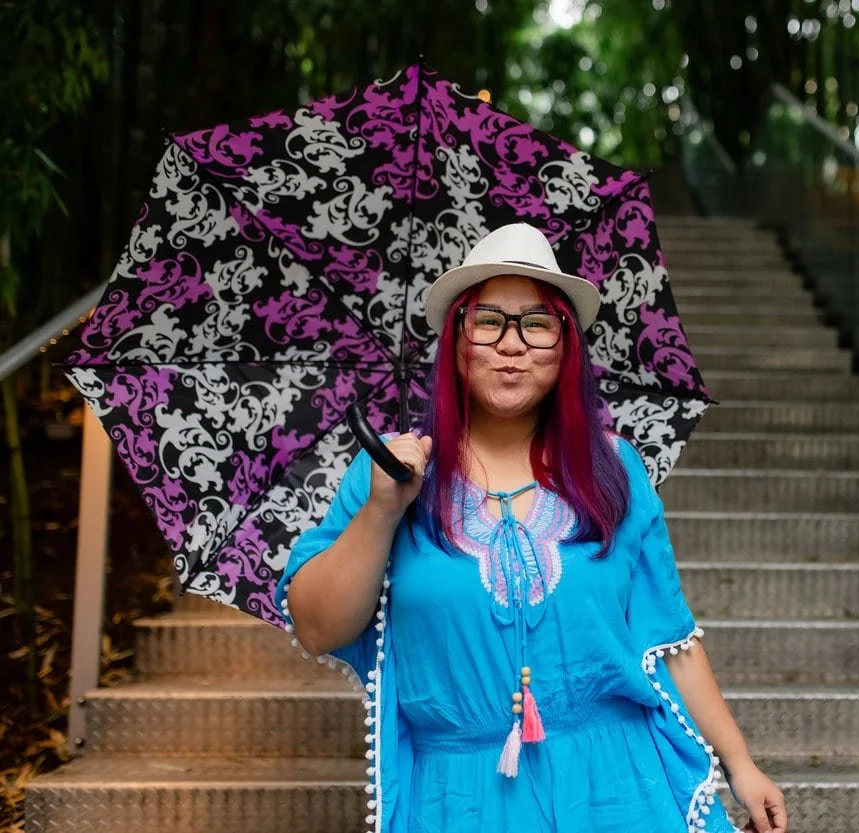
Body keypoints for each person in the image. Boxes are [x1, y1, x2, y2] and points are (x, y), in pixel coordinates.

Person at [275, 223, 788, 833]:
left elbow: (669, 639)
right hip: (459, 800)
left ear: (566, 345)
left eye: (537, 323)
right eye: (488, 321)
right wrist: (382, 510)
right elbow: (318, 627)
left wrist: (740, 764)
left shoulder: (614, 469)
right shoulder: (387, 469)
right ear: (456, 340)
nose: (511, 345)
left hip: (618, 788)